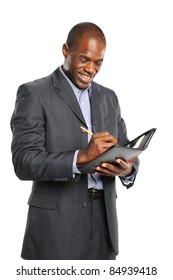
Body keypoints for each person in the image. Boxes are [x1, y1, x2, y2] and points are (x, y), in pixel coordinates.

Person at [11, 22, 139, 260]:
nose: (91, 69)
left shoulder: (109, 97)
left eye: (98, 63)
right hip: (56, 228)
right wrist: (81, 157)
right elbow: (24, 161)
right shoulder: (34, 93)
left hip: (104, 225)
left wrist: (126, 169)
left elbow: (125, 146)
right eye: (84, 59)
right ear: (65, 50)